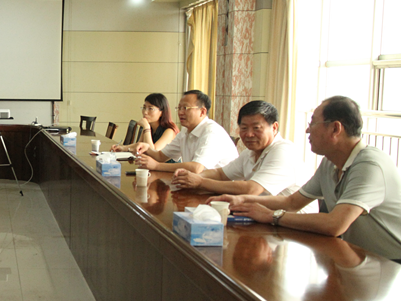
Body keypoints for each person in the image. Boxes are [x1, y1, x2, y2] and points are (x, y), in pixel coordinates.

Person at [211, 96, 401, 262]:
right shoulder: (330, 162)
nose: (307, 130)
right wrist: (241, 200)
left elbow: (335, 224)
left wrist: (272, 216)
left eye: (313, 123)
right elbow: (292, 202)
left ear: (335, 128)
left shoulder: (369, 165)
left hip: (390, 262)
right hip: (357, 255)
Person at [171, 100, 300, 196]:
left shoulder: (283, 151)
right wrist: (190, 177)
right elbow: (221, 174)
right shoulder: (249, 153)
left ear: (274, 127)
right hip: (261, 215)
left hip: (290, 221)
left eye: (256, 128)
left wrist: (200, 182)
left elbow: (251, 189)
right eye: (244, 128)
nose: (249, 134)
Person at [133, 90, 238, 173]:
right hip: (199, 184)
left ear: (202, 111)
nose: (180, 112)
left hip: (222, 190)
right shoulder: (185, 131)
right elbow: (161, 156)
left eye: (185, 108)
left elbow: (196, 168)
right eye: (179, 108)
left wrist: (157, 166)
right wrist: (147, 149)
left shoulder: (212, 132)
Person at [112, 93, 178, 153]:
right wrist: (122, 148)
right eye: (144, 107)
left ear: (161, 112)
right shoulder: (149, 126)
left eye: (150, 108)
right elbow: (139, 145)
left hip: (165, 163)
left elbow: (153, 152)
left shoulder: (169, 131)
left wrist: (146, 128)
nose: (145, 112)